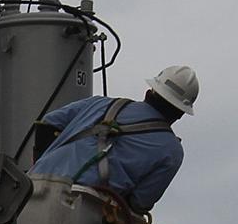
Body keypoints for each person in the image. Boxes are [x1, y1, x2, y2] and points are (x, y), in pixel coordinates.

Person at [30, 65, 199, 214]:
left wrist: (43, 168)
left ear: (149, 92)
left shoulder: (99, 103)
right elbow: (139, 204)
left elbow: (47, 124)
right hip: (84, 214)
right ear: (179, 114)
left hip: (31, 190)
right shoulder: (171, 151)